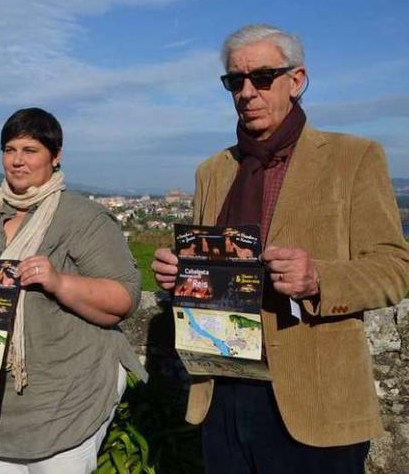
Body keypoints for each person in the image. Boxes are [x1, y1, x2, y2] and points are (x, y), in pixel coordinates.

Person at [151, 24, 409, 473]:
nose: (247, 92)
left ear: (297, 80)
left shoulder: (354, 157)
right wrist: (180, 273)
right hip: (222, 390)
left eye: (263, 77)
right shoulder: (211, 171)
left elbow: (394, 267)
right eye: (236, 81)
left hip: (316, 400)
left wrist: (319, 278)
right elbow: (207, 270)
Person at [0, 107, 146, 473]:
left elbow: (123, 298)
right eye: (10, 150)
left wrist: (60, 282)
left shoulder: (82, 218)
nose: (18, 161)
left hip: (65, 396)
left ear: (55, 156)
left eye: (30, 150)